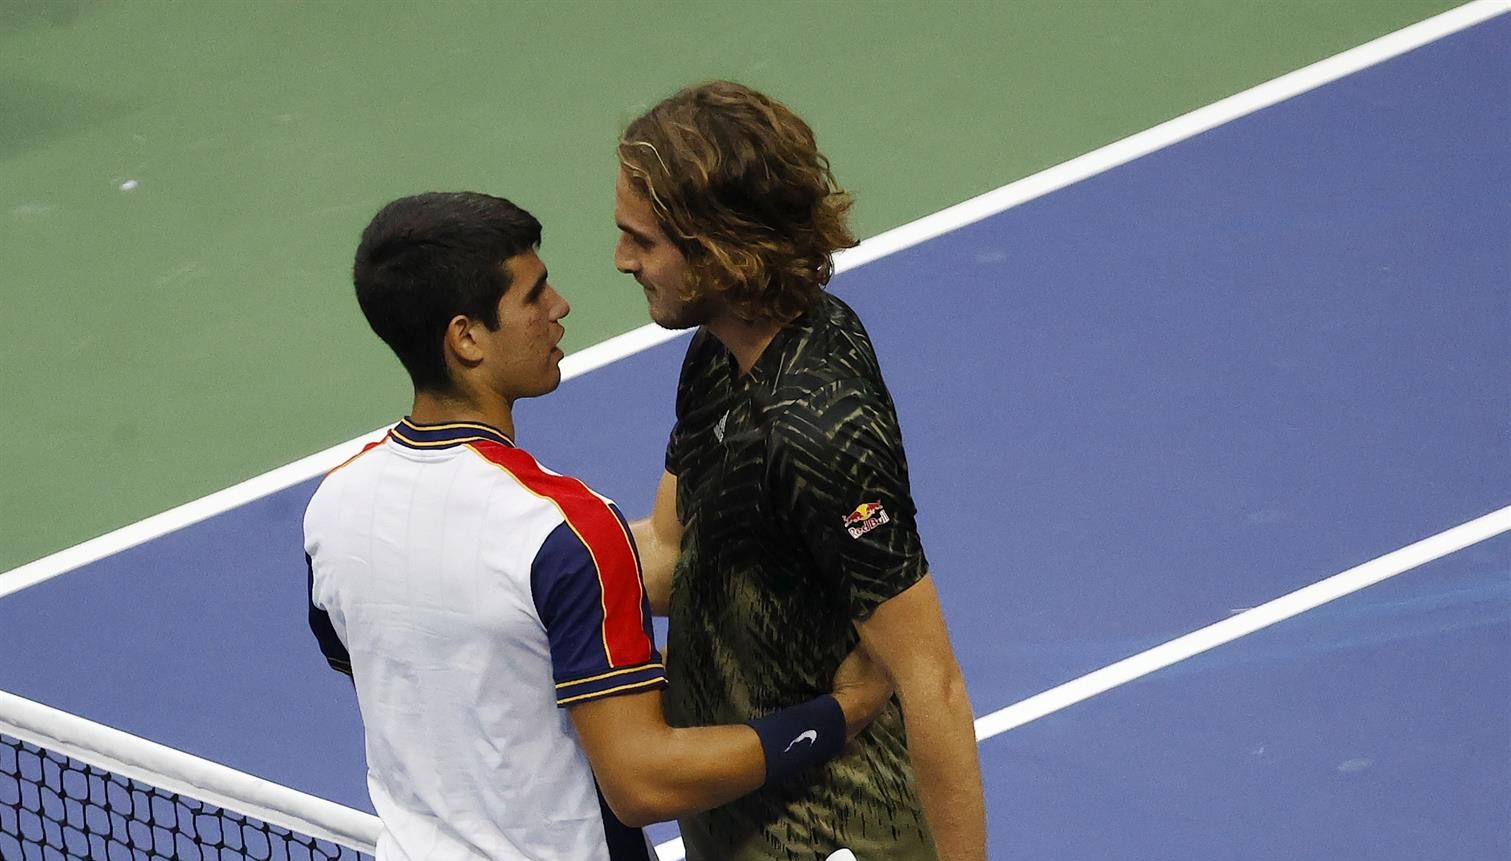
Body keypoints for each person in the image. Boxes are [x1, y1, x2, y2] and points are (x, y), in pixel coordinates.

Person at [303, 191, 891, 861]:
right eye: (533, 294)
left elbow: (455, 679)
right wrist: (838, 714)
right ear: (465, 337)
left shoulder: (334, 505)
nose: (559, 307)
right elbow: (644, 781)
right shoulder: (565, 529)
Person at [614, 82, 988, 861]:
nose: (623, 261)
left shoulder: (818, 431)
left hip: (831, 833)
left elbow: (933, 682)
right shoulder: (715, 355)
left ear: (715, 247)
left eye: (643, 241)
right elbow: (667, 560)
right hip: (738, 812)